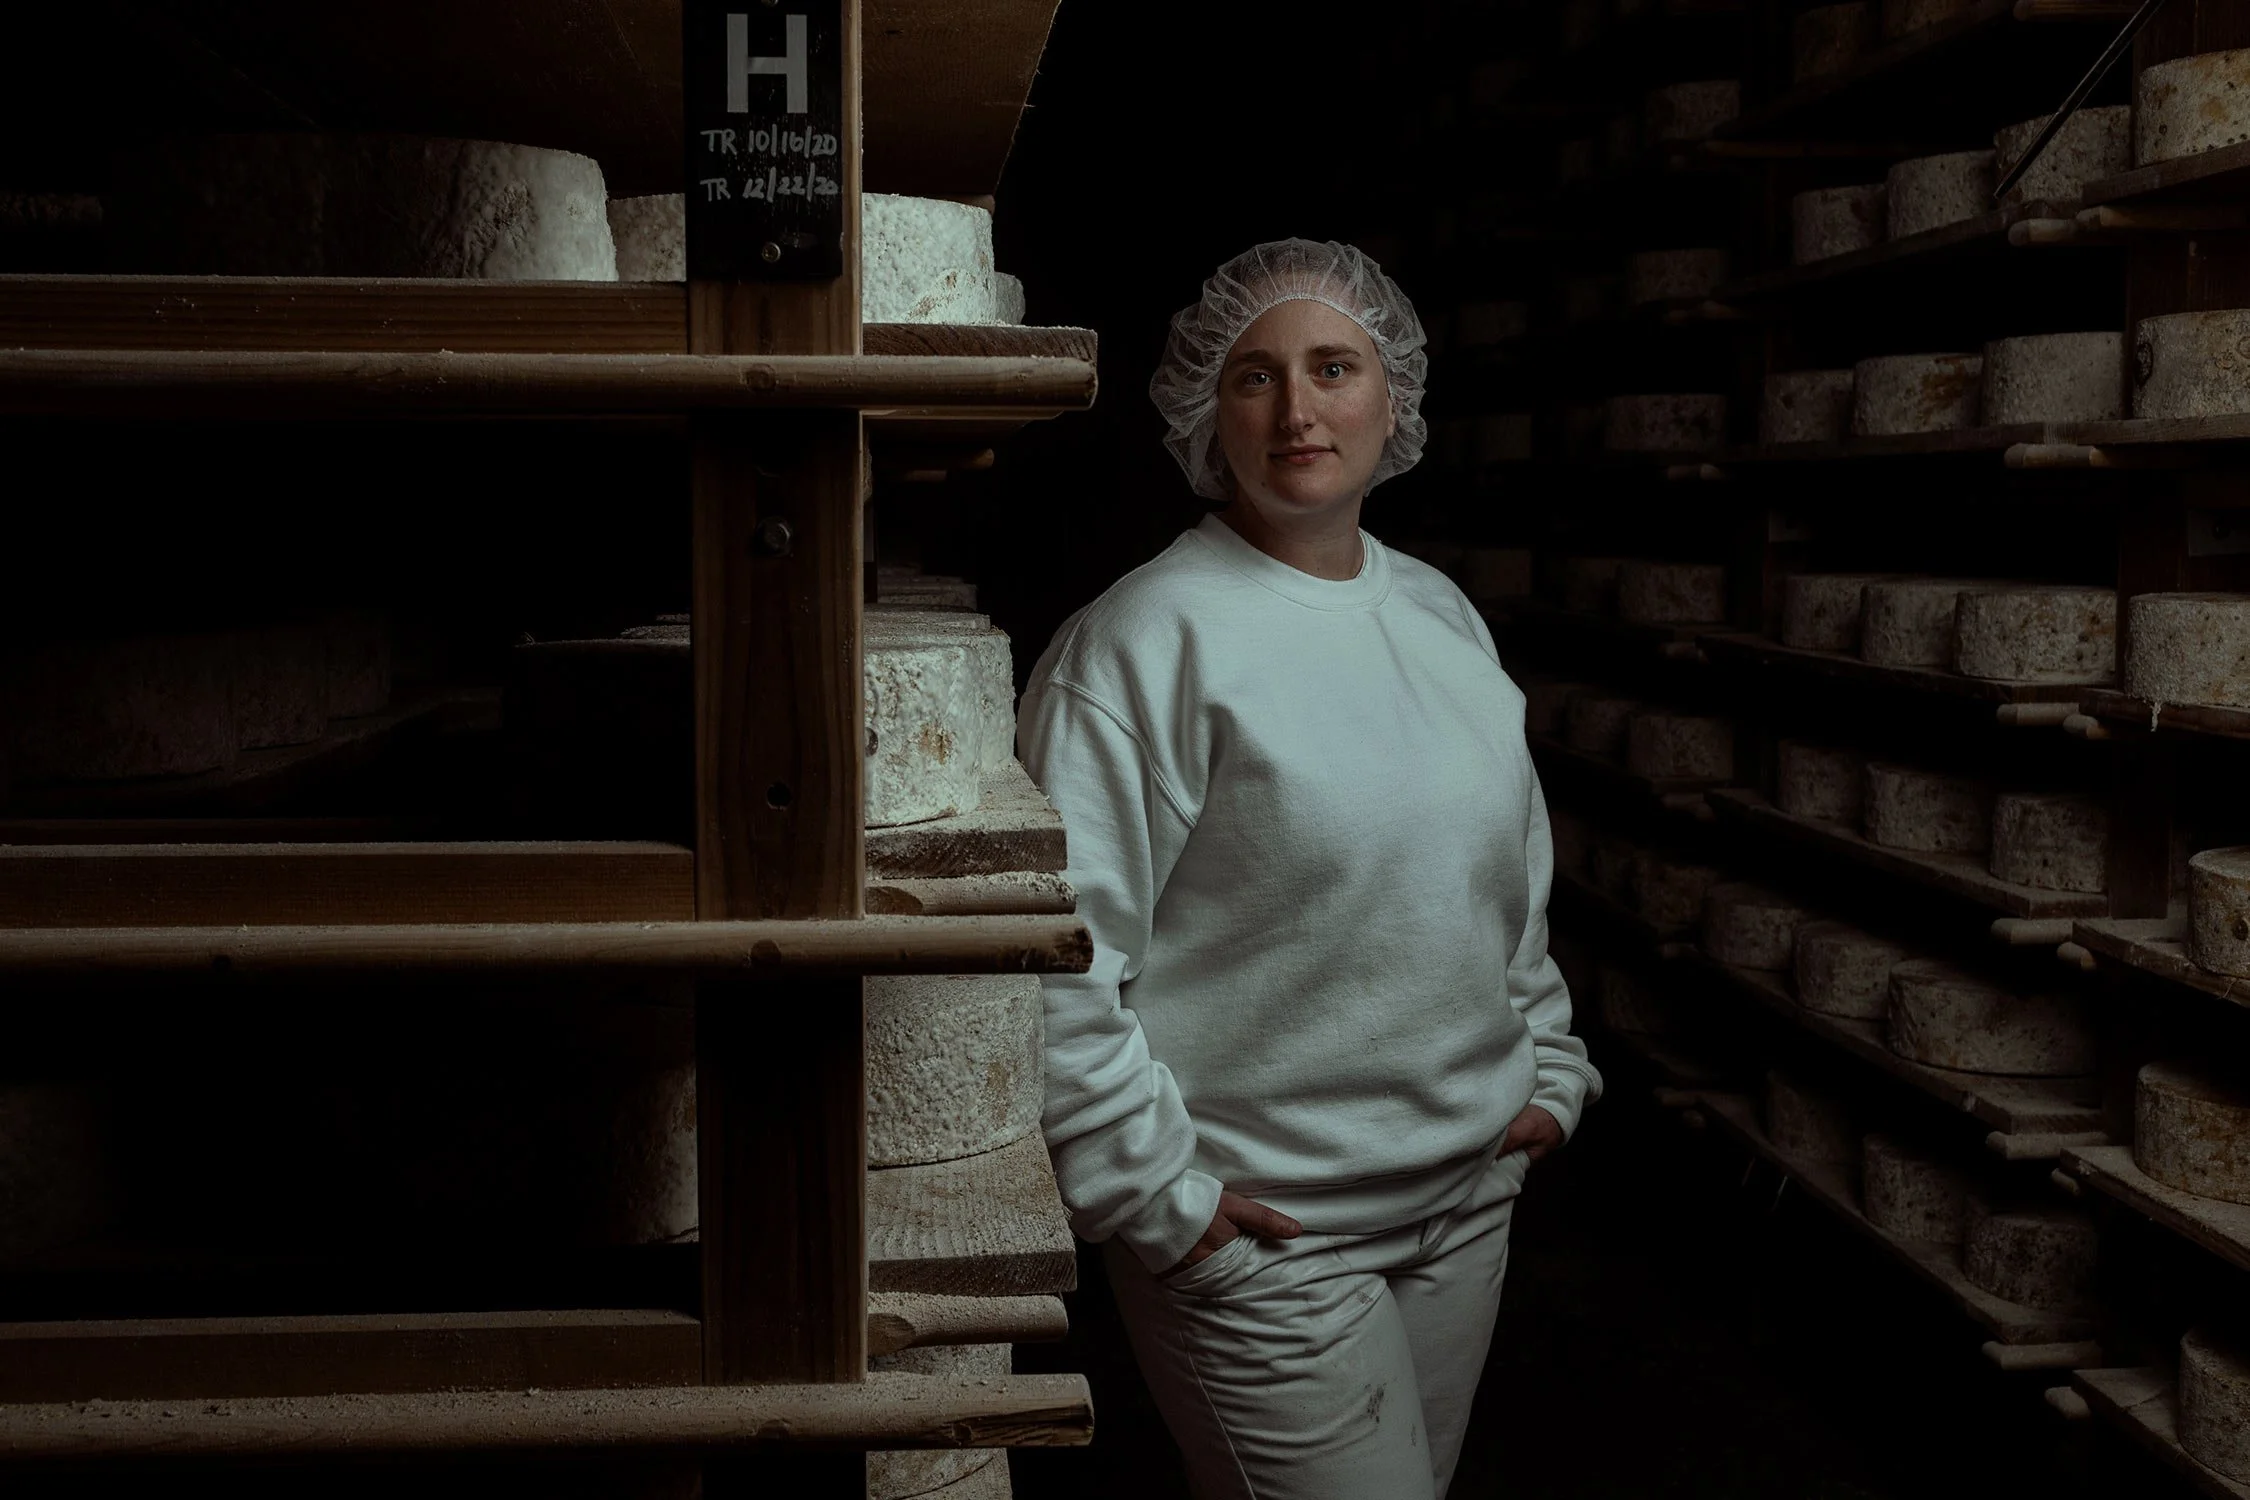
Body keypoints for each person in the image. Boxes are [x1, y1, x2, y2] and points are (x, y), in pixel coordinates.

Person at [1016, 238, 1600, 1499]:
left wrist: (1541, 1063)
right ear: (1201, 414)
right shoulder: (1140, 644)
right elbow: (1050, 953)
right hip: (1270, 1238)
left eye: (1334, 367)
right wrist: (1156, 1193)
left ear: (1394, 398)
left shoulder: (1440, 614)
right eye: (1252, 377)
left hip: (1464, 1198)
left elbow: (1502, 880)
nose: (1296, 410)